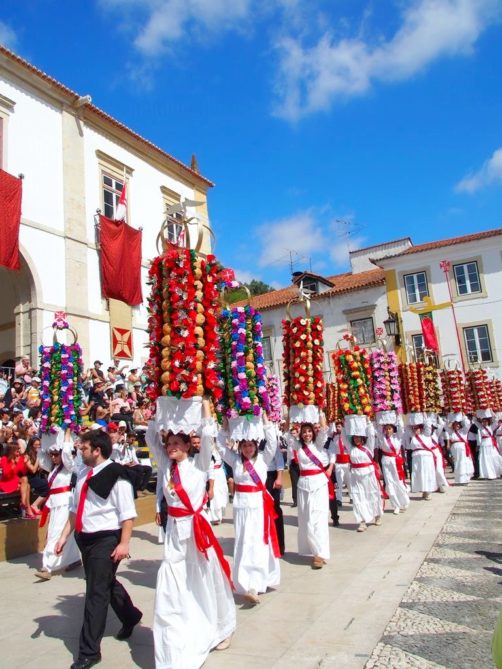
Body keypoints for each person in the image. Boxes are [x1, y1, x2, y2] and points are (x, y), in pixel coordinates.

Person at [146, 399, 236, 669]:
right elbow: (151, 439)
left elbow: (207, 436)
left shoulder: (199, 464)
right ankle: (175, 636)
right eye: (169, 443)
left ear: (187, 445)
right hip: (175, 532)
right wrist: (157, 410)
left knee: (206, 578)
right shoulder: (166, 466)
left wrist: (205, 406)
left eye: (177, 443)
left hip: (197, 531)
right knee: (172, 582)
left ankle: (221, 627)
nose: (171, 447)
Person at [55, 429, 142, 669]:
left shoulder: (117, 476)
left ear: (97, 450)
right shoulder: (83, 473)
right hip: (85, 538)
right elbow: (75, 509)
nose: (80, 451)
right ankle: (130, 615)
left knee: (96, 593)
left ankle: (89, 651)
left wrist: (124, 543)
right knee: (104, 583)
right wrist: (63, 536)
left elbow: (127, 515)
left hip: (107, 539)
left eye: (84, 448)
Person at [217, 413, 281, 602]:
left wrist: (265, 420)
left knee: (257, 543)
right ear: (240, 446)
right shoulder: (235, 461)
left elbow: (272, 443)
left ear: (256, 445)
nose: (247, 449)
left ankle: (257, 583)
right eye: (244, 445)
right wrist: (225, 427)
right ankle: (245, 583)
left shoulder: (263, 459)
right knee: (243, 543)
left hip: (258, 506)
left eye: (251, 445)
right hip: (241, 507)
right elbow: (220, 446)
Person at [285, 412, 333, 569]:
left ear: (313, 432)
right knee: (306, 520)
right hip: (303, 485)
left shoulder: (318, 445)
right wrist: (289, 414)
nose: (307, 434)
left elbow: (324, 430)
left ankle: (320, 554)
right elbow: (287, 433)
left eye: (309, 431)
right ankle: (313, 551)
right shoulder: (298, 446)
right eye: (304, 432)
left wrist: (320, 412)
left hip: (319, 484)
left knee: (318, 518)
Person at [35, 430, 80, 580]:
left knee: (56, 532)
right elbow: (42, 461)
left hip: (65, 502)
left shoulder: (69, 466)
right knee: (62, 532)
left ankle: (47, 566)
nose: (53, 457)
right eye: (52, 454)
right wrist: (43, 442)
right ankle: (73, 559)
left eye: (56, 454)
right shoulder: (53, 468)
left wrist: (67, 435)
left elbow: (66, 454)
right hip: (55, 503)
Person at [348, 423, 385, 531]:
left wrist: (368, 421)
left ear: (362, 437)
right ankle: (362, 522)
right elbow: (344, 437)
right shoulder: (351, 448)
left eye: (358, 437)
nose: (356, 439)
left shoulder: (368, 447)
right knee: (358, 498)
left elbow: (371, 434)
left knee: (372, 494)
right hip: (356, 477)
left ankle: (377, 515)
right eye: (355, 437)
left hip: (369, 475)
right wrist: (346, 422)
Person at [375, 421, 409, 515]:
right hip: (386, 461)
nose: (388, 431)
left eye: (389, 429)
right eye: (386, 429)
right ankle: (396, 505)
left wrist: (398, 416)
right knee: (390, 483)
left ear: (393, 429)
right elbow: (377, 429)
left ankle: (404, 501)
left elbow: (401, 427)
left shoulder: (397, 437)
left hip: (396, 461)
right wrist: (379, 419)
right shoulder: (382, 438)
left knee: (399, 482)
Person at [407, 416, 438, 500]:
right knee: (419, 474)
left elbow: (428, 424)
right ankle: (423, 490)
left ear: (421, 428)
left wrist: (424, 415)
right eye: (414, 428)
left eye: (417, 428)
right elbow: (407, 427)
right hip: (416, 457)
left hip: (426, 456)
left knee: (427, 473)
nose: (415, 430)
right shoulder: (413, 436)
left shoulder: (426, 434)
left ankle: (428, 492)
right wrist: (413, 418)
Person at [445, 414, 474, 485]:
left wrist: (463, 416)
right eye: (455, 424)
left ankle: (465, 479)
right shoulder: (451, 431)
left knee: (464, 462)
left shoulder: (463, 431)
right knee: (457, 462)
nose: (457, 425)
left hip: (463, 448)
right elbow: (445, 426)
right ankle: (459, 479)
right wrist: (452, 420)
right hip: (455, 448)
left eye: (458, 424)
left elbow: (468, 424)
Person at [475, 414, 502, 480]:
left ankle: (494, 473)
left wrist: (490, 412)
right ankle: (486, 474)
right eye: (483, 421)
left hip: (491, 444)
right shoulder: (480, 428)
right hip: (483, 445)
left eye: (486, 421)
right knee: (485, 459)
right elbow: (474, 421)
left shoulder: (491, 427)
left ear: (488, 422)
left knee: (494, 457)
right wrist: (476, 414)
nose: (484, 423)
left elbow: (496, 419)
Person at [331, 420, 351, 507]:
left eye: (339, 427)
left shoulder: (347, 438)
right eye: (337, 427)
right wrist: (333, 463)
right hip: (339, 463)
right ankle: (339, 499)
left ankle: (352, 496)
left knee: (349, 481)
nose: (338, 428)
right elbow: (333, 451)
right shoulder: (334, 438)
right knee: (339, 482)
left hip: (347, 462)